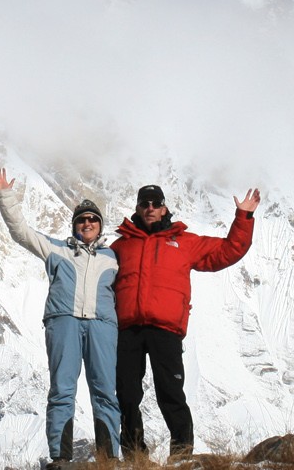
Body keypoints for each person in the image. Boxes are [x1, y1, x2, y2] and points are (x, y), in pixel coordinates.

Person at [111, 184, 259, 458]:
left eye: (155, 203)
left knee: (170, 393)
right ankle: (134, 455)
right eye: (145, 203)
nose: (150, 208)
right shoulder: (121, 245)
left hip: (165, 330)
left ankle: (181, 454)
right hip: (128, 330)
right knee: (127, 394)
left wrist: (243, 218)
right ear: (137, 208)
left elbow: (228, 250)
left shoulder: (184, 241)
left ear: (164, 207)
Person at [0, 168, 121, 464]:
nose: (87, 223)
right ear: (75, 226)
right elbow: (21, 232)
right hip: (64, 323)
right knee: (63, 389)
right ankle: (60, 458)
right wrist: (5, 195)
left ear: (100, 226)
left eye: (92, 219)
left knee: (105, 392)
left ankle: (109, 458)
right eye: (82, 220)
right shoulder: (56, 250)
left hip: (102, 326)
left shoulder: (114, 257)